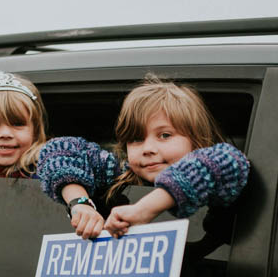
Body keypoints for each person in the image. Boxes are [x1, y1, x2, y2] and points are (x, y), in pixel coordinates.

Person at [37, 75, 250, 239]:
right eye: (136, 139)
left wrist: (144, 210)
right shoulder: (120, 174)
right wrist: (80, 203)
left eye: (164, 135)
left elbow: (226, 162)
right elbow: (58, 149)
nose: (148, 148)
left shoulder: (212, 176)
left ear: (197, 141)